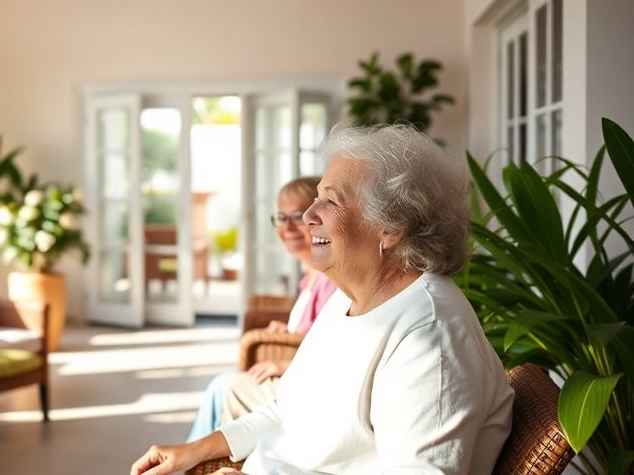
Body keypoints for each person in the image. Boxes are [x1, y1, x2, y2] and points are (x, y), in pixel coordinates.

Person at [132, 125, 515, 475]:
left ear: (392, 228)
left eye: (331, 201)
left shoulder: (430, 339)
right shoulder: (348, 300)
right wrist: (195, 449)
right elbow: (288, 406)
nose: (309, 217)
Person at [186, 177, 337, 442]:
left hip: (308, 381)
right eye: (281, 217)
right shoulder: (309, 275)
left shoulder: (329, 278)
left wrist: (284, 362)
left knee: (222, 387)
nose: (287, 226)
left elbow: (335, 342)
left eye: (298, 216)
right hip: (297, 371)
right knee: (222, 388)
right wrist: (288, 330)